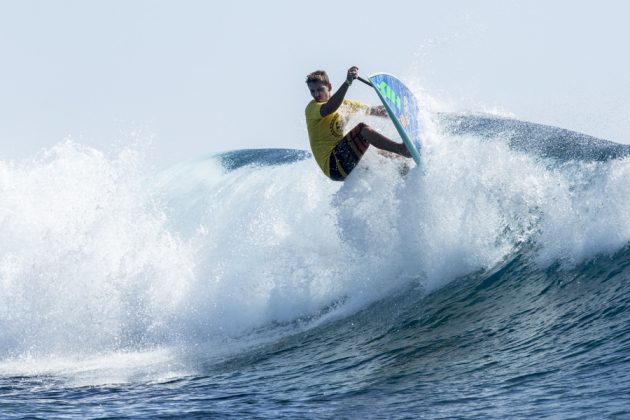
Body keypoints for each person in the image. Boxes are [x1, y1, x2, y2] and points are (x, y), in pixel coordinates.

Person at [305, 66, 411, 181]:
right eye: (312, 91)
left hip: (344, 162)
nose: (316, 94)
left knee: (389, 157)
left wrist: (399, 110)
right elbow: (329, 108)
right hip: (333, 165)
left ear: (329, 87)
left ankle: (406, 178)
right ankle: (402, 149)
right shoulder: (312, 108)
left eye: (320, 89)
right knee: (362, 130)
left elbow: (375, 111)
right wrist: (347, 82)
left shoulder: (346, 105)